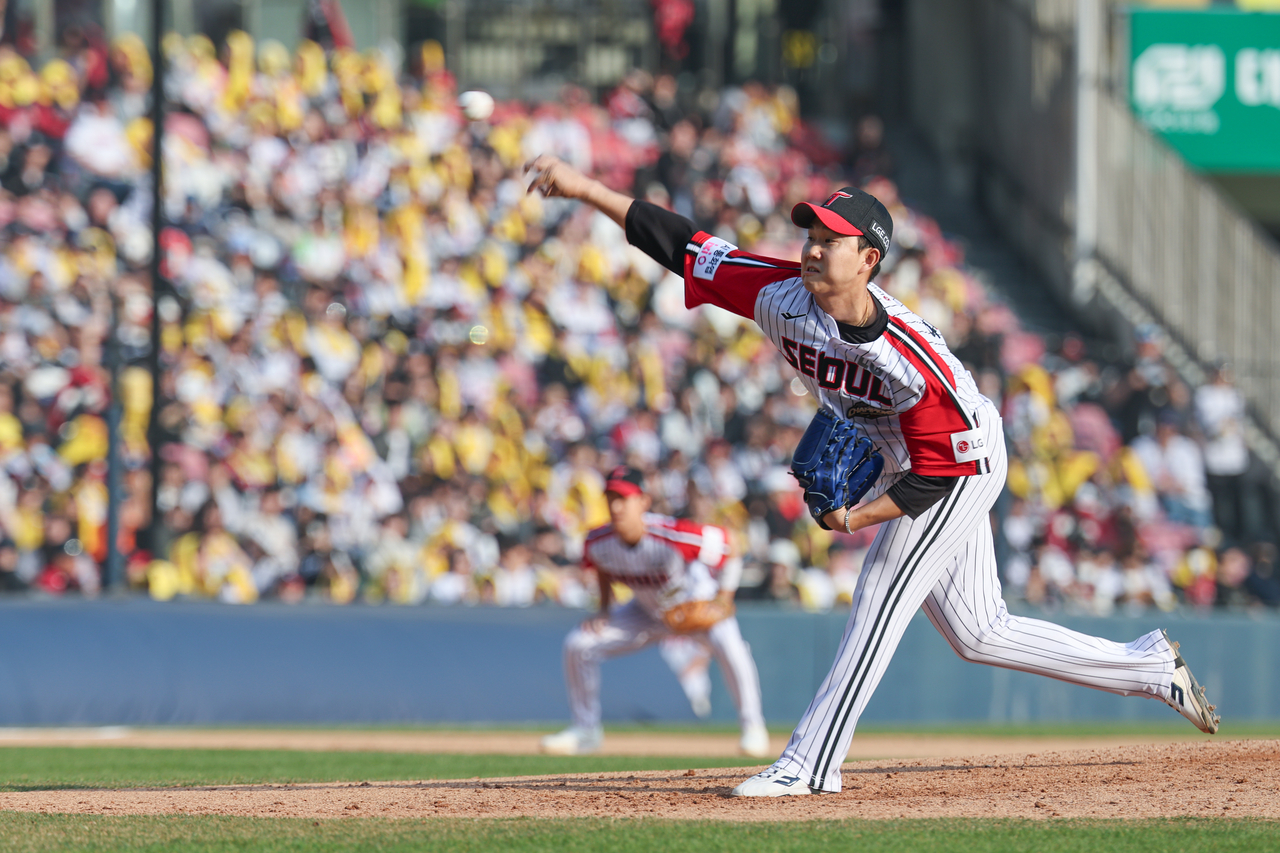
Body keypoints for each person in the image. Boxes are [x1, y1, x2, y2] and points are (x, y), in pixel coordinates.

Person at [525, 154, 1220, 796]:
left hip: (960, 460)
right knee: (979, 632)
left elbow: (935, 478)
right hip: (903, 452)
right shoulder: (778, 294)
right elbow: (679, 244)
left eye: (831, 240)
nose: (813, 248)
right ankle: (1149, 668)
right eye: (811, 234)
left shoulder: (910, 359)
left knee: (880, 593)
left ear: (868, 260)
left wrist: (855, 518)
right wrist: (585, 189)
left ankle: (812, 761)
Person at [540, 465, 770, 757]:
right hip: (646, 612)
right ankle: (585, 731)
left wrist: (724, 596)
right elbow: (602, 567)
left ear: (643, 502)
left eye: (624, 498)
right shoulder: (597, 541)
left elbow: (731, 544)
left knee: (732, 646)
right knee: (578, 644)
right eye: (611, 498)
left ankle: (753, 728)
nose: (616, 506)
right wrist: (604, 610)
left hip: (695, 606)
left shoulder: (673, 534)